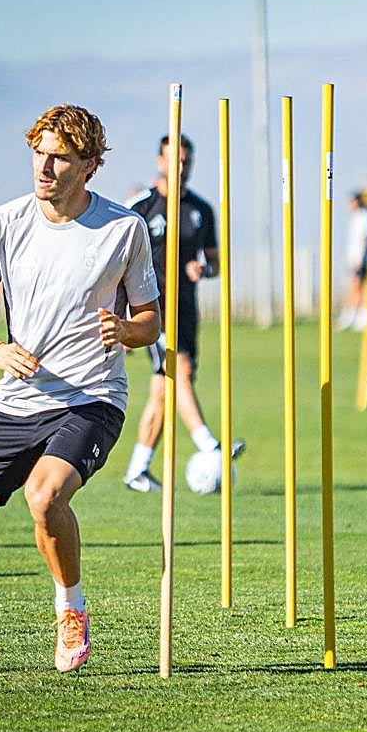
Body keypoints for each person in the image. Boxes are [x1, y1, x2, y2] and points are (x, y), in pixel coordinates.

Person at [0, 104, 161, 676]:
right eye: (39, 154)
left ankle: (71, 610)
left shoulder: (124, 229)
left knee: (45, 497)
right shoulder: (1, 223)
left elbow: (150, 321)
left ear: (89, 165)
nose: (45, 167)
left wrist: (126, 331)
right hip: (16, 400)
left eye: (60, 158)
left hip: (90, 399)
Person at [122, 134, 243, 493]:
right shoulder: (141, 207)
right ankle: (211, 445)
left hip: (187, 310)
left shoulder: (201, 210)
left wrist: (203, 269)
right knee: (180, 370)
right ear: (160, 161)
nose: (181, 166)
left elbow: (215, 262)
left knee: (164, 389)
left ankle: (137, 470)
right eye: (174, 159)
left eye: (186, 160)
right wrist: (125, 320)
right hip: (152, 311)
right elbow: (118, 264)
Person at [337, 190, 367, 331]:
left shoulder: (364, 216)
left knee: (358, 287)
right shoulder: (356, 217)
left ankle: (360, 316)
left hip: (360, 259)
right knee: (355, 287)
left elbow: (364, 239)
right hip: (354, 259)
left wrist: (360, 259)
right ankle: (354, 316)